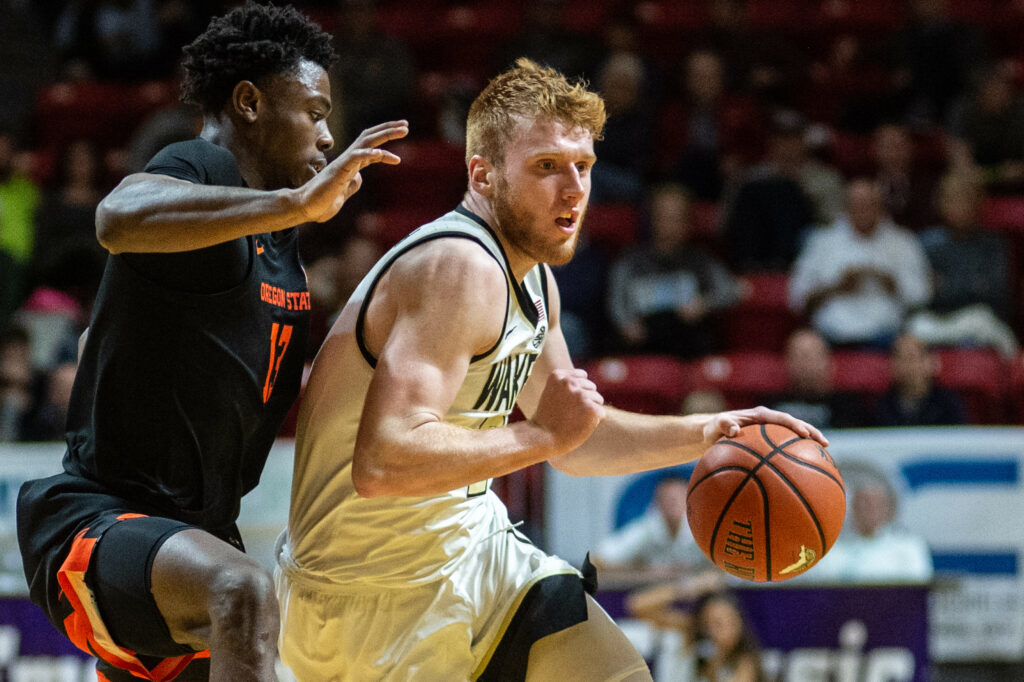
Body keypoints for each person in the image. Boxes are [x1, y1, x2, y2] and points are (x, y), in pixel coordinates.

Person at [275, 57, 827, 681]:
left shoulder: (533, 277)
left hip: (468, 552)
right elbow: (383, 462)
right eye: (546, 168)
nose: (574, 189)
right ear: (481, 173)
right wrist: (538, 438)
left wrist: (707, 434)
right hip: (364, 597)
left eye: (583, 166)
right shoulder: (458, 268)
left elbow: (575, 440)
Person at [16, 4, 407, 681]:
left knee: (245, 600)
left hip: (190, 542)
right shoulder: (201, 168)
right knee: (244, 591)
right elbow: (116, 217)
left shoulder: (280, 249)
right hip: (100, 523)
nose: (326, 136)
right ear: (250, 102)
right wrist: (293, 204)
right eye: (312, 113)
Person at [788, 177, 932, 349]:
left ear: (880, 207)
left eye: (869, 204)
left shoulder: (903, 242)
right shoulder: (821, 242)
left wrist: (890, 283)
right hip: (831, 337)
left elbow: (922, 295)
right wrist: (837, 287)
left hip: (886, 338)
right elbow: (796, 298)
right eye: (856, 205)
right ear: (845, 207)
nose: (863, 211)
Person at [607, 182, 742, 358]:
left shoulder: (701, 261)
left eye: (677, 219)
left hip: (687, 345)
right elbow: (616, 302)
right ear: (652, 220)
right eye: (664, 217)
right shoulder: (630, 262)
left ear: (688, 223)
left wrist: (704, 304)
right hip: (641, 345)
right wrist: (626, 323)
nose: (670, 226)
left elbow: (731, 290)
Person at [806, 461, 934, 583]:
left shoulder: (909, 549)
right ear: (853, 507)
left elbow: (917, 593)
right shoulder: (829, 552)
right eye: (864, 504)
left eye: (876, 505)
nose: (870, 511)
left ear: (886, 509)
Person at [591, 472, 716, 586]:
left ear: (689, 500)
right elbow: (598, 560)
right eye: (668, 499)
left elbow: (721, 570)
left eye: (677, 498)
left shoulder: (703, 530)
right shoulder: (646, 531)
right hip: (653, 593)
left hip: (697, 596)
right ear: (657, 502)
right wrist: (647, 572)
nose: (673, 503)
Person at [764, 328, 870, 429]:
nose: (806, 364)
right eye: (799, 356)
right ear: (787, 363)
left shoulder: (849, 408)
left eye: (812, 356)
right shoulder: (771, 408)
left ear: (829, 362)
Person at [873, 332, 967, 427]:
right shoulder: (882, 407)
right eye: (899, 358)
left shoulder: (948, 404)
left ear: (931, 362)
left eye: (912, 358)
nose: (907, 365)